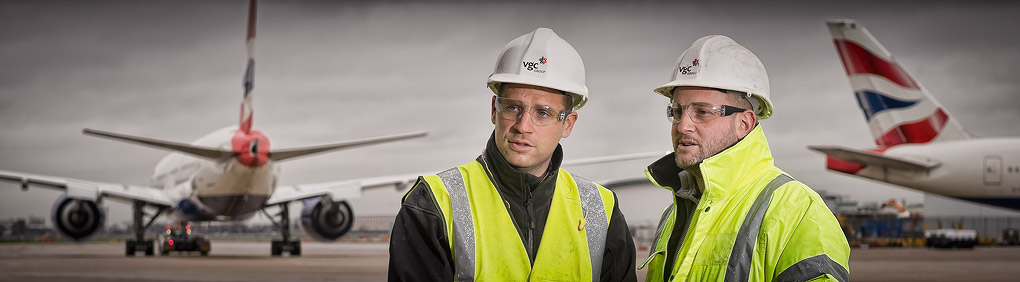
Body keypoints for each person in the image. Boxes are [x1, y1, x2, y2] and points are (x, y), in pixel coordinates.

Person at [388, 27, 637, 282]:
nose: (522, 126)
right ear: (494, 111)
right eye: (512, 107)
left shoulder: (600, 210)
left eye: (543, 113)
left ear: (568, 124)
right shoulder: (432, 203)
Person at [639, 35, 850, 282]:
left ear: (744, 123)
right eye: (677, 111)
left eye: (702, 112)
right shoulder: (673, 215)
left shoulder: (797, 211)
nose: (683, 125)